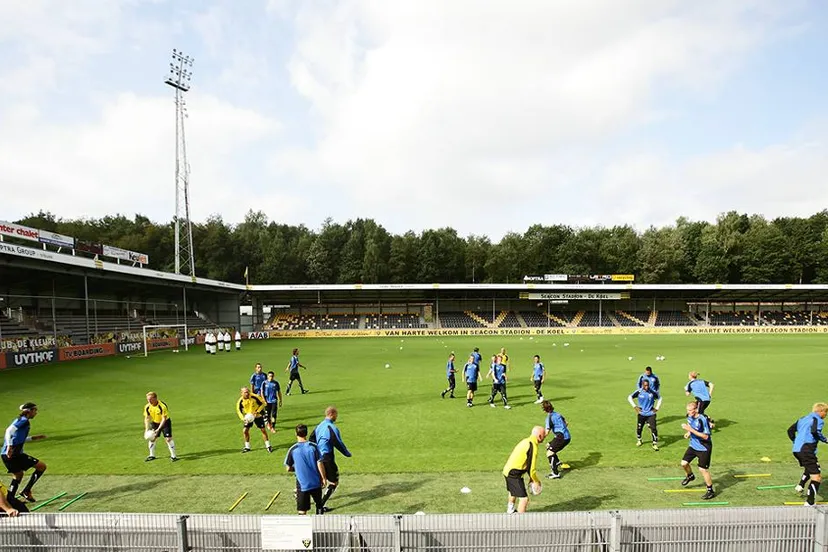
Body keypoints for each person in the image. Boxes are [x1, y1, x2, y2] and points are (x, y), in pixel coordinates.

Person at [2, 402, 47, 502]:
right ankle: (26, 491)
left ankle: (10, 499)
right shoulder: (24, 421)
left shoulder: (20, 420)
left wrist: (33, 438)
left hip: (6, 455)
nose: (36, 413)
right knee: (42, 466)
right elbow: (9, 431)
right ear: (29, 411)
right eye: (35, 410)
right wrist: (9, 447)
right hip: (14, 454)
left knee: (18, 475)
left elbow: (18, 438)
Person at [311, 406, 352, 512]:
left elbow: (311, 439)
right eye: (336, 415)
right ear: (332, 414)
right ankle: (320, 506)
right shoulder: (331, 427)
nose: (336, 417)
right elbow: (338, 442)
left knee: (320, 480)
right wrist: (347, 453)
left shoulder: (319, 425)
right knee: (333, 482)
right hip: (327, 457)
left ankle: (301, 493)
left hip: (318, 457)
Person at [788, 402, 828, 506]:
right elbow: (815, 431)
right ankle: (810, 502)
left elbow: (790, 431)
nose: (826, 415)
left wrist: (796, 442)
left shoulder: (802, 418)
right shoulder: (818, 420)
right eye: (826, 412)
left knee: (811, 468)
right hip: (806, 450)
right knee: (817, 477)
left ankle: (800, 486)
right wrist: (825, 439)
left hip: (797, 450)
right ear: (821, 411)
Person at [502, 426, 547, 513]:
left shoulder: (526, 441)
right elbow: (531, 468)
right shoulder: (532, 445)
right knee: (524, 499)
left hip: (508, 470)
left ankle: (510, 510)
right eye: (544, 435)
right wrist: (536, 480)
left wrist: (531, 478)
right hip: (514, 473)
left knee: (513, 491)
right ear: (540, 436)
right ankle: (520, 522)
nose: (545, 437)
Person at [285, 424, 326, 515]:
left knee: (302, 511)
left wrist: (297, 468)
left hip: (302, 484)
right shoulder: (314, 447)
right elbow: (320, 463)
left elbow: (288, 468)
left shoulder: (293, 449)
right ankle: (319, 525)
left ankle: (303, 528)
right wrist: (323, 478)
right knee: (319, 505)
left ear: (296, 433)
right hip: (316, 482)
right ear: (306, 433)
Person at [680, 401, 715, 500]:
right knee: (683, 463)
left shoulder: (702, 419)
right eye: (687, 410)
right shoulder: (689, 416)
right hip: (693, 445)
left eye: (690, 410)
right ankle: (690, 476)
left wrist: (690, 430)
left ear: (695, 410)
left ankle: (710, 490)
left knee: (702, 469)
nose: (688, 412)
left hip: (703, 447)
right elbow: (690, 425)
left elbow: (705, 436)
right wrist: (688, 432)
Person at [143, 392, 178, 462]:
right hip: (155, 422)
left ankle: (174, 456)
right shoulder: (147, 407)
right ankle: (152, 455)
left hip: (165, 423)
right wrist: (146, 429)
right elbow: (147, 418)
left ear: (155, 398)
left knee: (168, 439)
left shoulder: (162, 406)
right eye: (148, 399)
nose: (149, 401)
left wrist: (158, 429)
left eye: (150, 399)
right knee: (152, 438)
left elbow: (164, 419)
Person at [628, 379, 662, 450]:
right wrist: (635, 407)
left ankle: (655, 443)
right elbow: (629, 397)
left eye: (647, 385)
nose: (646, 387)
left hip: (651, 413)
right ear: (642, 385)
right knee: (639, 428)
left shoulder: (652, 392)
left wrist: (657, 408)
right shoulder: (639, 392)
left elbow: (660, 398)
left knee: (654, 428)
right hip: (642, 414)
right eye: (645, 385)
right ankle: (639, 440)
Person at [541, 401, 570, 479]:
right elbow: (566, 423)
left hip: (561, 437)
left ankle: (555, 473)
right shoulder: (558, 414)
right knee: (548, 445)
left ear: (544, 410)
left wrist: (540, 437)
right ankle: (557, 462)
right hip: (566, 436)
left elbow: (546, 432)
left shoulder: (549, 418)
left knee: (549, 453)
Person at [236, 387, 271, 453]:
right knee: (245, 431)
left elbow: (263, 403)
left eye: (248, 392)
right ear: (241, 393)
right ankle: (247, 447)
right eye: (245, 392)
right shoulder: (240, 401)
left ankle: (268, 445)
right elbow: (239, 411)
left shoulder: (255, 397)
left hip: (257, 416)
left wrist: (257, 412)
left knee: (263, 430)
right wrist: (243, 419)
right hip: (249, 417)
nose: (247, 393)